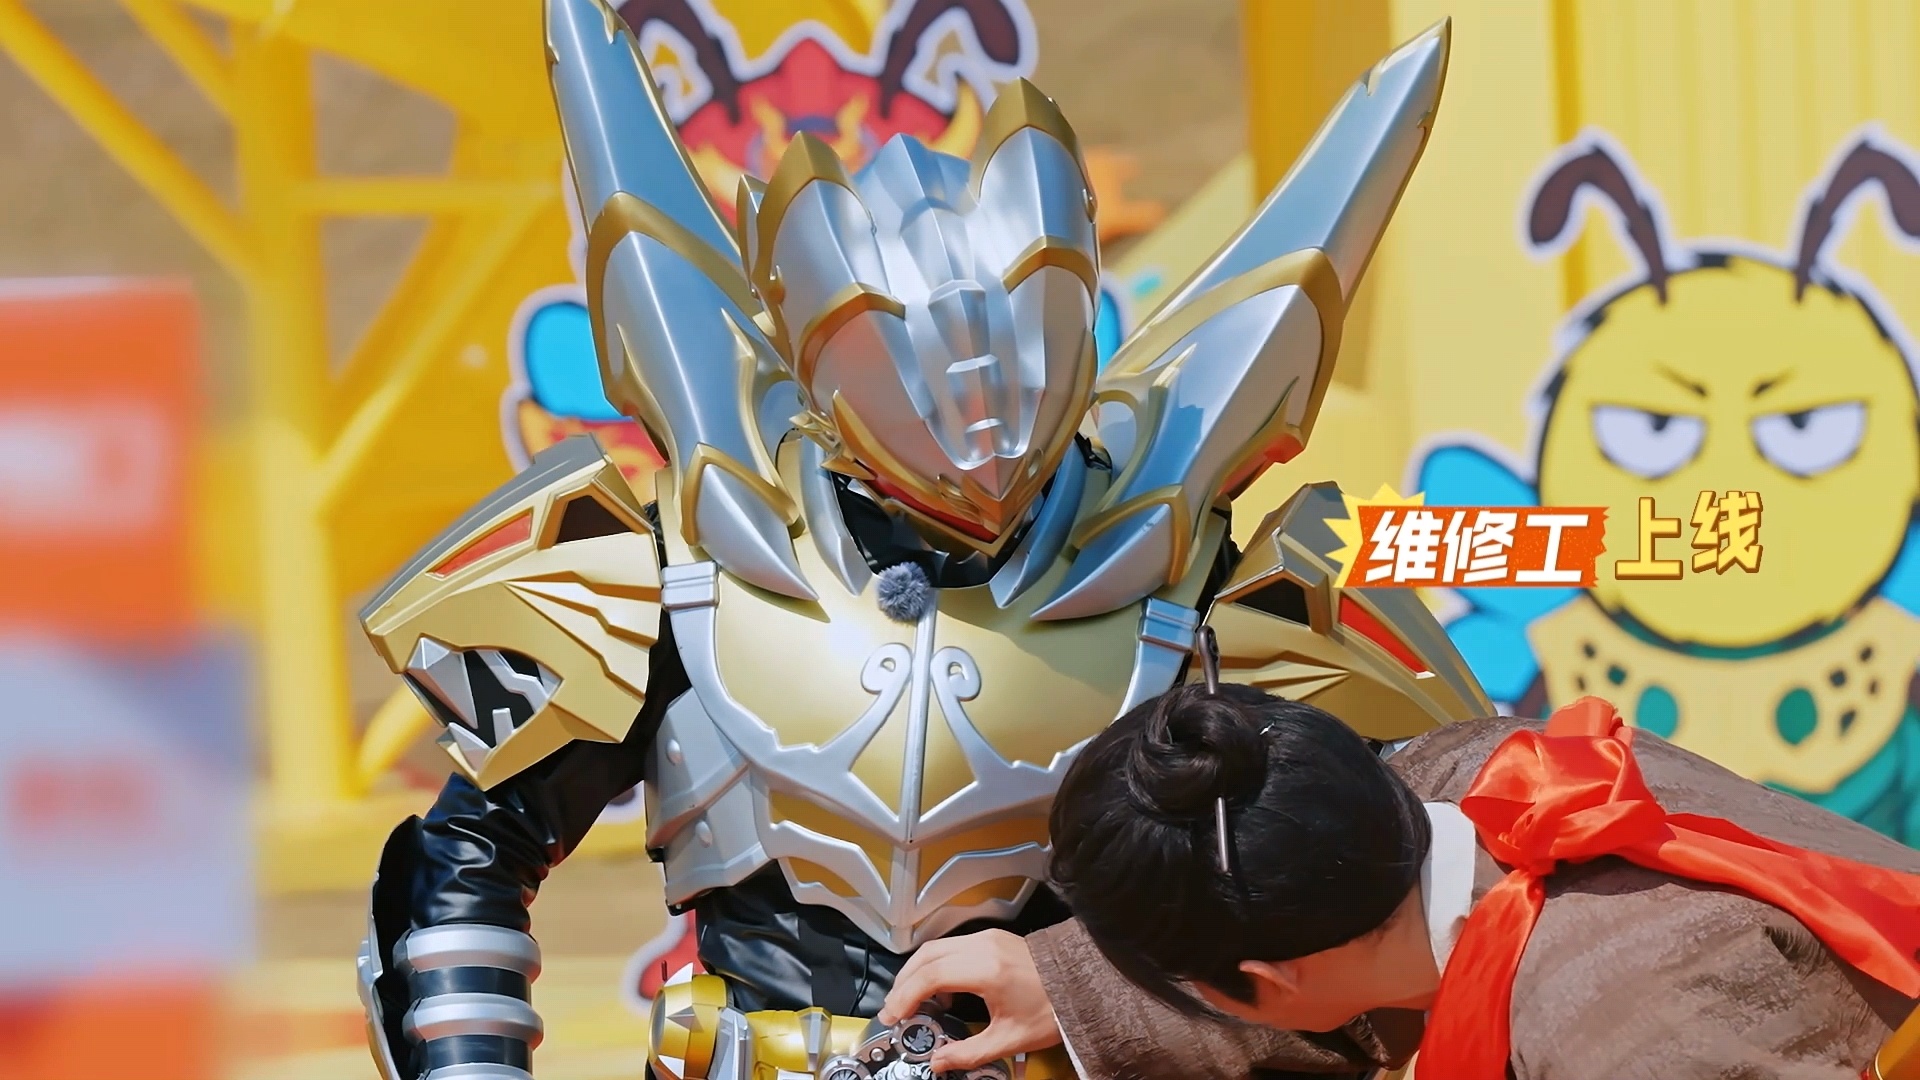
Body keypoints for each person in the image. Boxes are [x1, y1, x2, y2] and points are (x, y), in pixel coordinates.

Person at [880, 680, 1920, 1080]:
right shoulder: (1469, 776)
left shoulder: (1629, 1035)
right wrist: (1068, 989)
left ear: (1267, 980)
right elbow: (1319, 947)